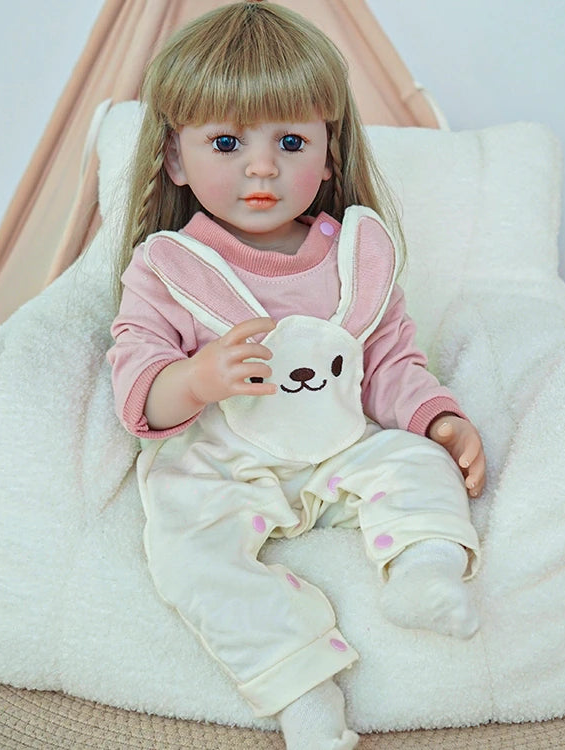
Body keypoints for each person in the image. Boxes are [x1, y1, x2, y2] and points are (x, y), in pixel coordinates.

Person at [108, 3, 486, 748]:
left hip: (337, 447)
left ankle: (425, 572)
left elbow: (388, 362)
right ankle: (304, 696)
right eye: (225, 141)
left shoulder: (354, 258)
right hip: (222, 462)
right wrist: (194, 378)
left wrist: (436, 418)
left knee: (416, 460)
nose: (261, 167)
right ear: (177, 158)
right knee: (187, 553)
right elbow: (136, 381)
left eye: (289, 141)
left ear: (330, 152)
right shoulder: (169, 268)